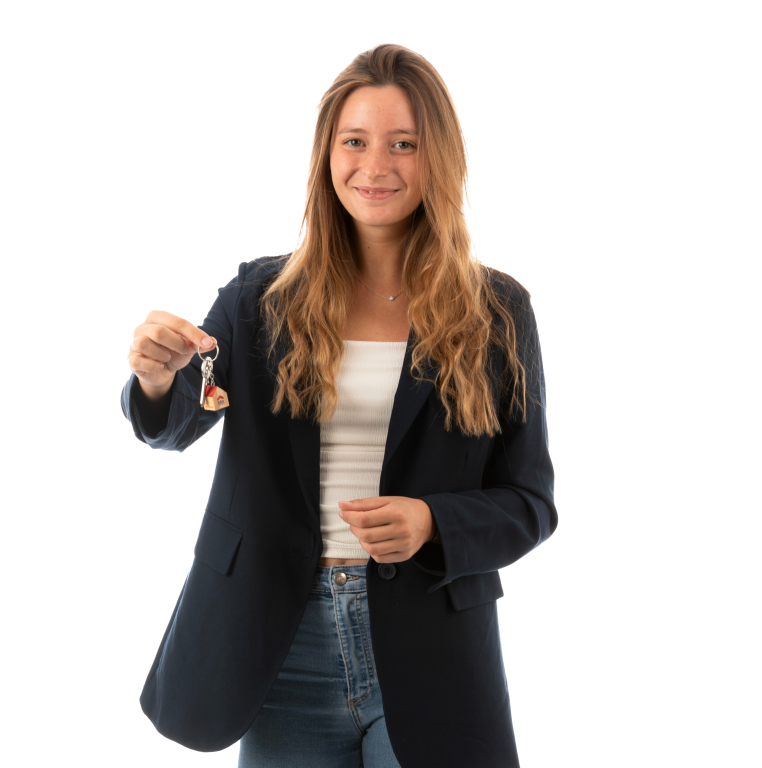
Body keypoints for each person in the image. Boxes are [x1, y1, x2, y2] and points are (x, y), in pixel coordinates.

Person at [122, 43, 557, 768]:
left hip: (432, 652)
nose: (375, 165)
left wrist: (432, 522)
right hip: (278, 642)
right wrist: (158, 379)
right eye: (354, 141)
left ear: (439, 157)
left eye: (403, 144)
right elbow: (177, 424)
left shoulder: (497, 310)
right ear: (327, 154)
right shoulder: (258, 299)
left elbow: (530, 503)